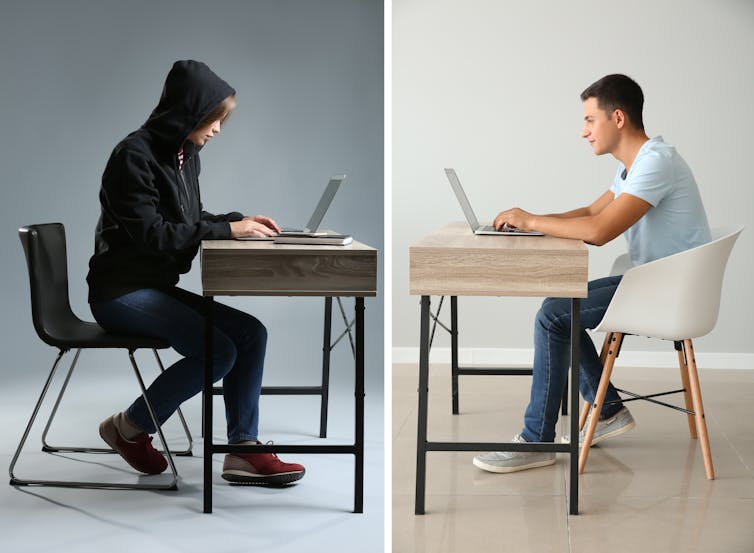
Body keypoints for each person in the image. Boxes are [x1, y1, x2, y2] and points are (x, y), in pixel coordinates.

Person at [473, 74, 711, 474]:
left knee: (554, 314)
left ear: (617, 118)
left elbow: (599, 232)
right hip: (657, 282)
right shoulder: (634, 165)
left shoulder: (655, 163)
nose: (583, 132)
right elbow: (590, 212)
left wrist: (532, 221)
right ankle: (606, 411)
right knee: (558, 308)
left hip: (672, 292)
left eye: (589, 120)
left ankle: (539, 440)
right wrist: (527, 221)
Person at [87, 60, 305, 485]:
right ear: (188, 110)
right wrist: (227, 229)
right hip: (119, 293)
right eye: (214, 118)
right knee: (218, 351)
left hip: (153, 289)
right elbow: (154, 235)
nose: (218, 129)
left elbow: (188, 217)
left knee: (250, 333)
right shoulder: (133, 155)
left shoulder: (185, 156)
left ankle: (241, 449)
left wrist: (240, 221)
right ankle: (129, 428)